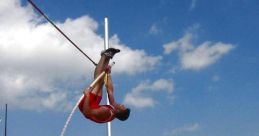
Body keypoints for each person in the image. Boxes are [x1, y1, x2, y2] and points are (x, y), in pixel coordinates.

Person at [78, 48, 130, 123]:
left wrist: (87, 95)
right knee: (101, 81)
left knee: (98, 82)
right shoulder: (114, 107)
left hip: (85, 107)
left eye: (123, 107)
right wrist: (108, 74)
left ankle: (104, 56)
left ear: (118, 111)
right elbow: (110, 91)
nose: (122, 104)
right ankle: (108, 56)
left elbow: (86, 112)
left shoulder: (106, 112)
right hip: (94, 106)